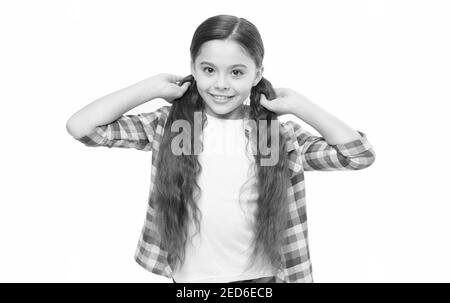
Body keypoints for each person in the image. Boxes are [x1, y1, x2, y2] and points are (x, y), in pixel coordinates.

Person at [66, 14, 376, 283]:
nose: (221, 84)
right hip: (191, 280)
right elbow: (83, 128)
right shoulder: (174, 127)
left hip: (261, 278)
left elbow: (357, 155)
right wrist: (150, 88)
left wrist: (299, 105)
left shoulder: (273, 134)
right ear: (193, 68)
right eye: (209, 70)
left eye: (237, 72)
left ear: (257, 74)